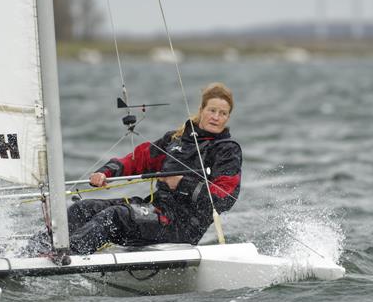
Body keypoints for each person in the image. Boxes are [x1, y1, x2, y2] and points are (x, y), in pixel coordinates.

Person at [29, 83, 242, 255]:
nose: (216, 117)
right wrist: (106, 172)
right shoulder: (176, 139)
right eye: (212, 110)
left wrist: (182, 184)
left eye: (223, 113)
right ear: (202, 110)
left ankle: (65, 255)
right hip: (157, 210)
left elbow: (225, 198)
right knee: (83, 208)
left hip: (181, 226)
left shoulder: (226, 150)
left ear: (228, 118)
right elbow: (137, 159)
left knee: (114, 217)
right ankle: (30, 252)